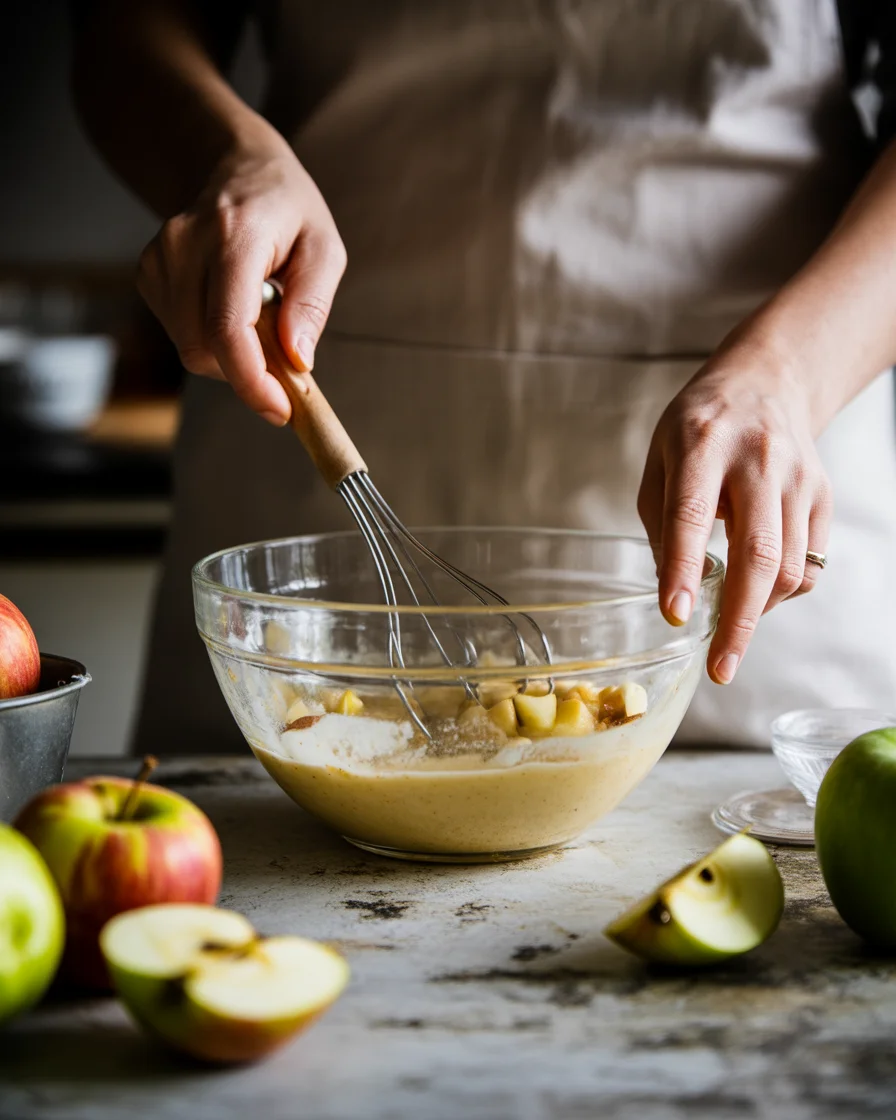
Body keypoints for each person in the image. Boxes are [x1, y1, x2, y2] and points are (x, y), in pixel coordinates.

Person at [72, 1, 896, 755]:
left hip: (768, 441)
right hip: (306, 420)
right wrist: (230, 158)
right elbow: (127, 29)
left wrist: (788, 372)